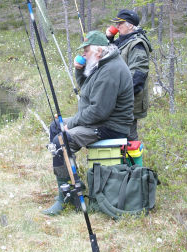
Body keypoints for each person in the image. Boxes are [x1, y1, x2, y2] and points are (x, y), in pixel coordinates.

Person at [43, 30, 134, 216]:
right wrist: (79, 71)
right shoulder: (102, 64)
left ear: (98, 51)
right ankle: (68, 187)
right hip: (99, 122)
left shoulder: (111, 71)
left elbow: (99, 111)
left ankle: (67, 195)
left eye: (86, 50)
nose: (83, 54)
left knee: (62, 142)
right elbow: (87, 90)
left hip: (110, 127)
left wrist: (73, 123)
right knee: (55, 126)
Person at [106, 9, 152, 140]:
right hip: (120, 101)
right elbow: (109, 55)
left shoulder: (137, 45)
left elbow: (137, 77)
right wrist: (109, 39)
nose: (117, 27)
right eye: (117, 24)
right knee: (118, 139)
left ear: (130, 25)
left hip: (128, 103)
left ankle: (133, 161)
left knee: (128, 139)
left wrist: (119, 97)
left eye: (120, 23)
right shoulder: (123, 41)